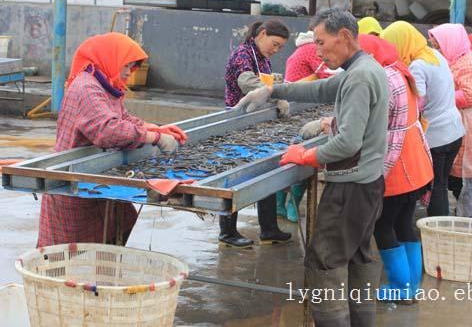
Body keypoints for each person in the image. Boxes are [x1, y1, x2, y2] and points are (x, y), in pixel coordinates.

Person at [236, 8, 389, 327]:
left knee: (324, 264)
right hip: (368, 184)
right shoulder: (362, 68)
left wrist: (304, 156)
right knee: (359, 258)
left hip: (351, 186)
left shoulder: (360, 76)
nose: (316, 51)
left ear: (344, 36)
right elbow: (319, 90)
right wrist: (274, 89)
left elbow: (348, 143)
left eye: (321, 42)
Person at [37, 32, 185, 247]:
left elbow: (122, 118)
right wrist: (154, 137)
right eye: (127, 65)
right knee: (69, 252)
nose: (129, 72)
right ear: (110, 57)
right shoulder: (87, 88)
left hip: (95, 178)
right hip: (71, 183)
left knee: (119, 223)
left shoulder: (105, 85)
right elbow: (108, 130)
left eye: (132, 67)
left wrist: (154, 127)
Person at [367, 33, 433, 303]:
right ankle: (411, 286)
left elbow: (376, 123)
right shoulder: (400, 72)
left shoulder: (383, 79)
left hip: (398, 167)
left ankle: (400, 287)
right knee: (404, 223)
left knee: (383, 226)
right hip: (416, 162)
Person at [221, 19, 292, 247]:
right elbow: (247, 82)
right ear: (262, 34)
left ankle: (269, 229)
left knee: (266, 173)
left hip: (257, 125)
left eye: (280, 47)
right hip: (237, 124)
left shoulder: (263, 58)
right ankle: (227, 233)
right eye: (275, 43)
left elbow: (267, 83)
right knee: (234, 177)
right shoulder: (243, 54)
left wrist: (277, 91)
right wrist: (276, 92)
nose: (276, 49)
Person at [381, 21, 464, 217]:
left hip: (438, 135)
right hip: (454, 131)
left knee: (436, 187)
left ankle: (437, 232)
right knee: (441, 184)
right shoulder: (433, 54)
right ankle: (441, 229)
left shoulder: (417, 65)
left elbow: (416, 103)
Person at [428, 23, 472, 218]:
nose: (436, 50)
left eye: (438, 45)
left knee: (469, 174)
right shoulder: (454, 59)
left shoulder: (470, 62)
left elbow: (470, 95)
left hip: (471, 122)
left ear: (451, 42)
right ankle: (462, 213)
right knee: (453, 173)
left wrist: (440, 94)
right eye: (434, 45)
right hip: (459, 120)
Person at [277, 31, 337, 223]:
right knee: (300, 157)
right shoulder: (312, 50)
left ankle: (281, 206)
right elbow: (325, 76)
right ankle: (290, 204)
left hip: (296, 104)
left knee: (288, 157)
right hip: (301, 106)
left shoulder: (304, 48)